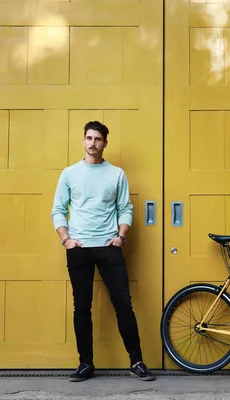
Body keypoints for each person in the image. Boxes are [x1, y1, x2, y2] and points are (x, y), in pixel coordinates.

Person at [50, 120, 154, 382]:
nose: (93, 143)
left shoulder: (116, 174)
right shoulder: (69, 173)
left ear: (105, 143)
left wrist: (121, 236)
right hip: (79, 249)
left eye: (98, 139)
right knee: (81, 307)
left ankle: (137, 361)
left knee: (123, 305)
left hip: (109, 248)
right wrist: (66, 240)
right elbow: (58, 210)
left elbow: (125, 208)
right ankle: (85, 364)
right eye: (89, 138)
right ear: (83, 141)